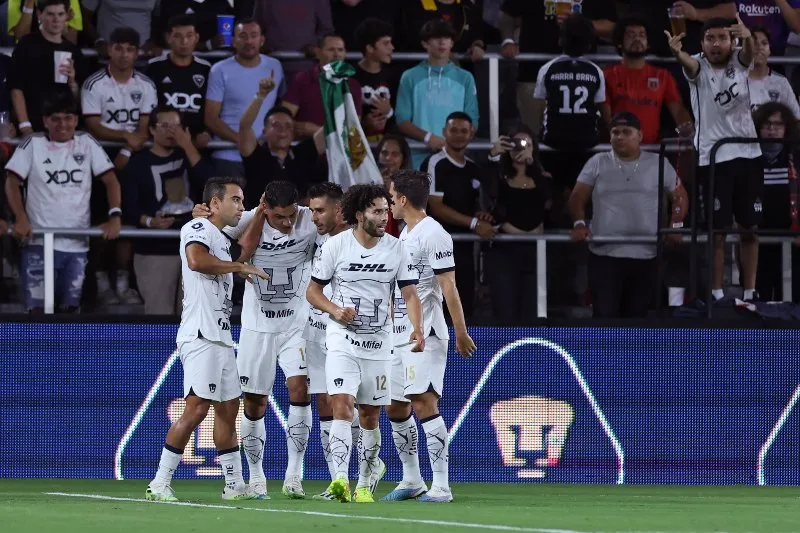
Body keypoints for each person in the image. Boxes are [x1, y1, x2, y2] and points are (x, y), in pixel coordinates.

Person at [145, 176, 268, 503]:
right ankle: (159, 482)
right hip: (200, 334)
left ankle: (234, 484)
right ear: (214, 204)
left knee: (229, 410)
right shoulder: (197, 228)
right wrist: (239, 267)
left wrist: (260, 211)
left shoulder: (219, 235)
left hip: (220, 336)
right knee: (197, 408)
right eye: (236, 200)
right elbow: (197, 261)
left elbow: (247, 238)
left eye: (243, 201)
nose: (241, 206)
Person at [306, 184, 424, 503]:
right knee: (341, 405)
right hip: (342, 339)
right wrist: (334, 310)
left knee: (370, 415)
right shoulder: (335, 247)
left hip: (379, 343)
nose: (384, 216)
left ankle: (363, 482)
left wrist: (417, 327)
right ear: (359, 215)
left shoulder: (397, 248)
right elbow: (313, 292)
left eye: (386, 210)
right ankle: (341, 481)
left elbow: (410, 293)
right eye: (376, 210)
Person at [214, 181, 318, 500]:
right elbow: (237, 251)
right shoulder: (247, 221)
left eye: (291, 216)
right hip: (257, 326)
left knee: (300, 389)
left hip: (296, 324)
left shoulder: (309, 219)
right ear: (266, 208)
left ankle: (293, 475)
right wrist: (256, 216)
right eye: (279, 217)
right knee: (255, 401)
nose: (288, 223)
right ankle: (256, 476)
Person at [381, 169, 476, 503]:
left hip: (427, 332)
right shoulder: (405, 233)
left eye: (391, 198)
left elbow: (448, 284)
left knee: (423, 401)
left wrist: (461, 331)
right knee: (395, 406)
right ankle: (411, 479)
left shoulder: (433, 233)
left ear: (403, 199)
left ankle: (442, 485)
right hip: (396, 334)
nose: (389, 204)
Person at [667, 15, 763, 302]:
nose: (716, 44)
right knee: (717, 231)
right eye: (710, 39)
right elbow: (690, 64)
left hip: (748, 154)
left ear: (731, 41)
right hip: (714, 157)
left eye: (722, 38)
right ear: (702, 43)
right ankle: (718, 295)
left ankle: (750, 292)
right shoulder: (698, 64)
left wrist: (747, 36)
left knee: (750, 229)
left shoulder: (739, 58)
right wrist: (677, 54)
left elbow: (748, 53)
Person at [3, 95, 122, 313]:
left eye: (68, 118)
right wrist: (20, 217)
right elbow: (12, 182)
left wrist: (115, 216)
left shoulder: (87, 142)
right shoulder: (33, 143)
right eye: (55, 119)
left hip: (77, 245)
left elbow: (111, 180)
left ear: (76, 120)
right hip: (37, 242)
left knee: (70, 312)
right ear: (45, 121)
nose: (62, 124)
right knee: (36, 314)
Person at [569, 112, 688, 318]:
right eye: (615, 132)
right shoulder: (598, 161)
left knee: (637, 320)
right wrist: (579, 223)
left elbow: (679, 196)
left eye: (626, 132)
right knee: (604, 320)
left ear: (640, 135)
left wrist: (675, 226)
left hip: (644, 255)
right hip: (604, 256)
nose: (620, 136)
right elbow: (578, 196)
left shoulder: (657, 162)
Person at [302, 182, 368, 501]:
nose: (313, 217)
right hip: (323, 330)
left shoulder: (357, 242)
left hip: (354, 335)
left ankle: (367, 470)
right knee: (330, 404)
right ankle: (338, 481)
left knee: (353, 405)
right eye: (311, 210)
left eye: (319, 210)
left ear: (339, 211)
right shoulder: (324, 235)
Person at [83, 26, 157, 307]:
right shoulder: (94, 84)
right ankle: (102, 283)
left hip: (133, 159)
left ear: (137, 53)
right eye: (119, 48)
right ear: (109, 49)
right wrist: (125, 137)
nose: (124, 55)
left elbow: (143, 128)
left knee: (127, 221)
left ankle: (124, 284)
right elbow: (93, 126)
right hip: (98, 157)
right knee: (103, 221)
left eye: (130, 49)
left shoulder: (146, 85)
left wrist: (127, 148)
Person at [120, 106, 212, 315]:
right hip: (155, 248)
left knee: (192, 314)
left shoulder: (190, 156)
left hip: (193, 247)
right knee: (158, 313)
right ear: (152, 129)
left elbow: (210, 185)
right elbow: (129, 207)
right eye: (165, 126)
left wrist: (188, 145)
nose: (172, 131)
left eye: (177, 126)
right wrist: (150, 221)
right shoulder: (138, 164)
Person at [422, 112, 495, 320]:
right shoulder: (435, 163)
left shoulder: (473, 168)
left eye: (464, 131)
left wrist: (479, 215)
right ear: (445, 131)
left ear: (472, 134)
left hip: (464, 250)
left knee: (463, 310)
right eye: (453, 130)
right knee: (436, 312)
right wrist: (474, 223)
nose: (458, 135)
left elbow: (472, 205)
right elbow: (436, 207)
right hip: (436, 250)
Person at [533, 14, 610, 188]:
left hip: (554, 140)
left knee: (556, 189)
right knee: (582, 189)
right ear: (589, 44)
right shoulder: (595, 71)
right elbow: (603, 111)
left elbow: (540, 109)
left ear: (561, 40)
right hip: (586, 141)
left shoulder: (547, 69)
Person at [485, 129, 552, 324]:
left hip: (535, 250)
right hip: (505, 251)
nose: (520, 148)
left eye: (526, 144)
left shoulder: (543, 177)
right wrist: (492, 156)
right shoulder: (499, 177)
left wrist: (533, 166)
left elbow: (548, 200)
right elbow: (488, 192)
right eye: (515, 143)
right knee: (506, 312)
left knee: (533, 314)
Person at [204, 19, 285, 178]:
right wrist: (245, 142)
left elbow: (280, 109)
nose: (248, 41)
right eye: (243, 36)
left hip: (264, 156)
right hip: (228, 156)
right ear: (234, 41)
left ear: (261, 40)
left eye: (253, 36)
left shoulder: (275, 66)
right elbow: (211, 118)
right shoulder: (219, 69)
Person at [395, 19, 479, 169]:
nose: (442, 42)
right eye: (436, 38)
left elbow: (473, 119)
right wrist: (428, 138)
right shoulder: (409, 76)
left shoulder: (466, 78)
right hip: (417, 159)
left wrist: (454, 143)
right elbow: (402, 120)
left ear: (452, 43)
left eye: (446, 38)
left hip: (455, 156)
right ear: (425, 43)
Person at [604, 15, 694, 144]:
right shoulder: (607, 75)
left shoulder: (662, 76)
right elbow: (605, 117)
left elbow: (678, 111)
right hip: (617, 149)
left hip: (652, 153)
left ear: (648, 43)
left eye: (642, 35)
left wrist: (687, 134)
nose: (637, 39)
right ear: (619, 41)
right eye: (631, 35)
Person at [238, 77, 326, 206]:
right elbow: (244, 126)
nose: (283, 132)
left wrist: (337, 93)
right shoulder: (255, 154)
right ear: (264, 131)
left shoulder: (304, 152)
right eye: (276, 126)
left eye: (288, 126)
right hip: (260, 221)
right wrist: (261, 95)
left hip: (298, 221)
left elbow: (332, 130)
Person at [10, 0, 83, 134]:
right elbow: (16, 89)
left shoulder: (73, 51)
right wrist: (25, 125)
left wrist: (72, 82)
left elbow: (78, 98)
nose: (56, 20)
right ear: (39, 15)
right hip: (33, 122)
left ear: (67, 16)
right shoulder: (26, 45)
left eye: (61, 14)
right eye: (50, 14)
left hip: (61, 128)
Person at [753, 102, 800, 301]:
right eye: (767, 125)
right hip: (758, 238)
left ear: (786, 128)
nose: (772, 130)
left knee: (791, 296)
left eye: (778, 125)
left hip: (791, 237)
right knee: (761, 295)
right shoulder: (750, 158)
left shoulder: (796, 158)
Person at [147, 14, 213, 147]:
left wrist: (207, 132)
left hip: (196, 143)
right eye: (178, 36)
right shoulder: (153, 67)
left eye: (189, 36)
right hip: (163, 143)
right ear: (168, 38)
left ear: (197, 38)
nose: (184, 42)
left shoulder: (206, 68)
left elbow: (213, 107)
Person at [281, 33, 363, 140]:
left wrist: (315, 131)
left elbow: (352, 128)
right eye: (331, 50)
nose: (336, 54)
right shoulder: (302, 80)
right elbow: (283, 118)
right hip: (306, 147)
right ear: (318, 52)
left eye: (340, 50)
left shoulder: (353, 86)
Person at [252, 0, 334, 78]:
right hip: (270, 67)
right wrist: (263, 44)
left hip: (305, 67)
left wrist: (314, 45)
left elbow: (326, 31)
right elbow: (255, 28)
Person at [353, 19, 396, 141]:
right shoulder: (350, 77)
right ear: (370, 48)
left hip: (386, 145)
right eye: (386, 43)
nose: (392, 47)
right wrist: (363, 123)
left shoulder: (393, 76)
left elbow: (401, 117)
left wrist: (388, 112)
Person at [748, 25, 800, 118]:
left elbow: (796, 118)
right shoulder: (734, 80)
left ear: (769, 50)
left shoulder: (781, 82)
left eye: (764, 43)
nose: (760, 47)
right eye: (754, 43)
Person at [81, 0, 162, 57]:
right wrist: (98, 41)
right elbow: (84, 18)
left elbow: (159, 19)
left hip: (143, 55)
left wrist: (153, 41)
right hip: (109, 56)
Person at [377, 133, 413, 237]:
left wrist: (391, 193)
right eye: (384, 153)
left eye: (395, 154)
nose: (388, 158)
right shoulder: (367, 180)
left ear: (403, 158)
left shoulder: (412, 185)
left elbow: (408, 219)